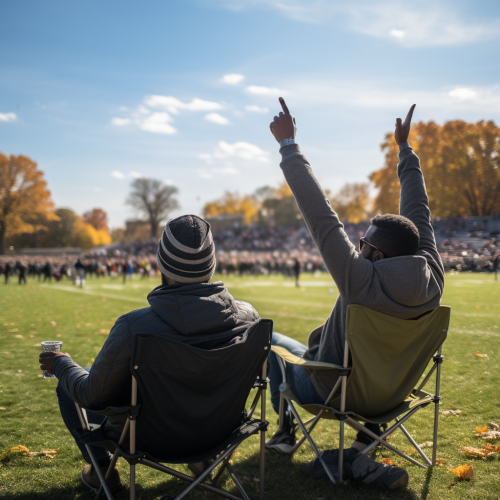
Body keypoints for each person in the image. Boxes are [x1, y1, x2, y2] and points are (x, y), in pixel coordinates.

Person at [265, 99, 444, 490]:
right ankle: (362, 450)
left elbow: (321, 216)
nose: (357, 248)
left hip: (333, 389)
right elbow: (419, 211)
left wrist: (289, 145)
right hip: (392, 392)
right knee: (374, 364)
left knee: (266, 340)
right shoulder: (433, 276)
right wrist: (405, 150)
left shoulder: (360, 281)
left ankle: (284, 431)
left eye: (362, 244)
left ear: (376, 255)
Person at [39, 215, 260, 493]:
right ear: (212, 263)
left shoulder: (134, 326)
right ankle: (203, 459)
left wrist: (61, 363)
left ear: (161, 263)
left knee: (66, 387)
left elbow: (91, 395)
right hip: (220, 431)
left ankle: (102, 472)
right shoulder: (249, 316)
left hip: (150, 437)